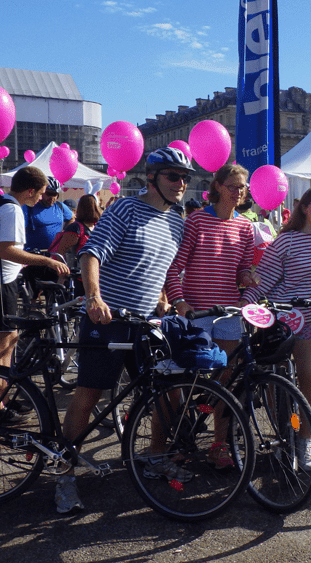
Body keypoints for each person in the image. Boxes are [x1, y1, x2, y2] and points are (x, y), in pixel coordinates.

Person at [55, 147, 191, 514]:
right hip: (108, 319)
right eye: (173, 176)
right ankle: (65, 473)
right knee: (90, 394)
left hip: (145, 322)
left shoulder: (177, 219)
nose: (181, 184)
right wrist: (94, 297)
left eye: (185, 178)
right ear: (152, 178)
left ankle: (156, 456)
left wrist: (163, 300)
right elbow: (91, 253)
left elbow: (160, 266)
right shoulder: (126, 209)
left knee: (162, 391)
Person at [165, 163, 258, 470]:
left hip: (228, 312)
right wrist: (179, 303)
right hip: (198, 312)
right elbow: (174, 268)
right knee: (189, 380)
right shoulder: (196, 221)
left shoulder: (246, 226)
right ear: (217, 187)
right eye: (233, 186)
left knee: (224, 383)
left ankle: (218, 447)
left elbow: (242, 268)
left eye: (242, 187)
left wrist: (249, 281)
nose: (239, 192)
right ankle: (180, 441)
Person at [240, 186, 311, 471]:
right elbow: (265, 277)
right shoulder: (287, 241)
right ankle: (284, 432)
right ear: (304, 207)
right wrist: (245, 304)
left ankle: (304, 439)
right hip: (281, 319)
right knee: (277, 383)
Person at [0, 167, 70, 419]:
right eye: (40, 193)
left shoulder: (1, 202)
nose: (41, 198)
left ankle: (1, 401)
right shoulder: (13, 209)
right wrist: (46, 261)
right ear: (30, 190)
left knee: (9, 342)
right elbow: (7, 250)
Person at [51, 194, 101, 279]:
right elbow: (62, 251)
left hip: (93, 272)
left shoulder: (97, 226)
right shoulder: (76, 228)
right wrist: (62, 276)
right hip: (75, 275)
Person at [22, 177, 73, 251]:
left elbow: (72, 218)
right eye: (49, 194)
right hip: (34, 253)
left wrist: (65, 233)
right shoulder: (29, 207)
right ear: (42, 192)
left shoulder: (60, 206)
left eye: (55, 194)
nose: (52, 197)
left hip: (55, 253)